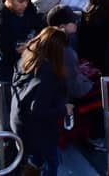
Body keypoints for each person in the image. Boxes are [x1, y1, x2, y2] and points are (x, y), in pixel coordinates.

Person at [12, 24, 72, 174]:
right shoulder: (47, 77)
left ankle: (32, 168)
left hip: (20, 123)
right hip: (38, 131)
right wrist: (64, 109)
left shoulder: (26, 60)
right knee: (53, 162)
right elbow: (39, 110)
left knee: (38, 157)